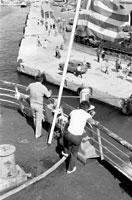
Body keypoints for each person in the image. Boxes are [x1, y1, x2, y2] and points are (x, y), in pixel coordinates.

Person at [62, 101, 100, 174]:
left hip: (68, 134)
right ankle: (70, 169)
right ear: (87, 109)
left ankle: (65, 152)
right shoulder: (86, 115)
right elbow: (93, 122)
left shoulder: (73, 111)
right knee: (74, 154)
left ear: (79, 107)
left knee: (66, 139)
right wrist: (93, 119)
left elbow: (70, 119)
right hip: (77, 138)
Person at [26, 74, 52, 138]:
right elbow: (48, 96)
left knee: (34, 117)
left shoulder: (31, 85)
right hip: (39, 105)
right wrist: (50, 92)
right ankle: (38, 134)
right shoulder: (43, 87)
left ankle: (36, 130)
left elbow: (26, 89)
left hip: (32, 104)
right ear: (42, 80)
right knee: (38, 120)